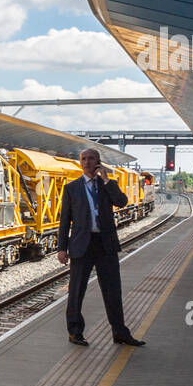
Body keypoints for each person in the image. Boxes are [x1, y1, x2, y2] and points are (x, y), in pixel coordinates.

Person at [57, 148, 145, 347]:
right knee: (76, 291)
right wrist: (61, 248)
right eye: (83, 159)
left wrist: (106, 179)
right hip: (81, 246)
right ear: (80, 162)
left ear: (98, 162)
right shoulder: (72, 188)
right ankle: (75, 332)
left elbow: (122, 202)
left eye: (91, 159)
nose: (87, 162)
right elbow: (65, 221)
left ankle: (120, 332)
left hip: (106, 245)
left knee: (113, 291)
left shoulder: (108, 185)